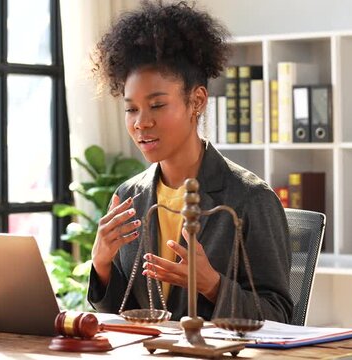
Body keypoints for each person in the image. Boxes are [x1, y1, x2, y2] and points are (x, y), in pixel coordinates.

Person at [87, 0, 292, 323]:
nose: (141, 123)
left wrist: (213, 286)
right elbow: (123, 316)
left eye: (156, 105)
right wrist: (101, 265)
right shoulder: (129, 197)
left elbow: (282, 319)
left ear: (196, 101)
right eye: (131, 109)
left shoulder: (251, 199)